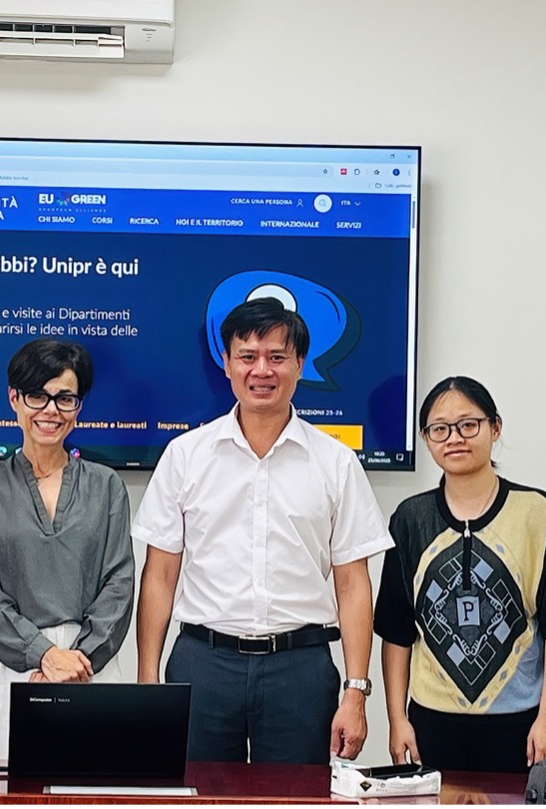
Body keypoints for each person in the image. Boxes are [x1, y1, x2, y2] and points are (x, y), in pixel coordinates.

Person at [133, 297, 393, 764]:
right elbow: (159, 575)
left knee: (297, 797)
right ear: (226, 363)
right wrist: (147, 679)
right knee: (198, 795)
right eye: (248, 356)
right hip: (203, 664)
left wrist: (356, 691)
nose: (262, 370)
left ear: (299, 364)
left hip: (301, 669)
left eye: (277, 357)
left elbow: (354, 584)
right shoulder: (185, 455)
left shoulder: (335, 462)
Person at [374, 376, 546, 773]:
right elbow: (397, 632)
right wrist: (396, 720)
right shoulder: (410, 519)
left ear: (495, 427)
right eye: (440, 429)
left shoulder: (537, 513)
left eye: (468, 424)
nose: (454, 438)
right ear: (425, 439)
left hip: (519, 725)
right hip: (431, 724)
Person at [0, 339, 135, 759]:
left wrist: (75, 660)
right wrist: (43, 655)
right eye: (37, 395)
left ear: (78, 406)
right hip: (10, 665)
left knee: (91, 785)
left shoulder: (106, 486)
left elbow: (119, 582)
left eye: (65, 398)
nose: (50, 410)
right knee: (0, 788)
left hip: (88, 666)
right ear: (14, 399)